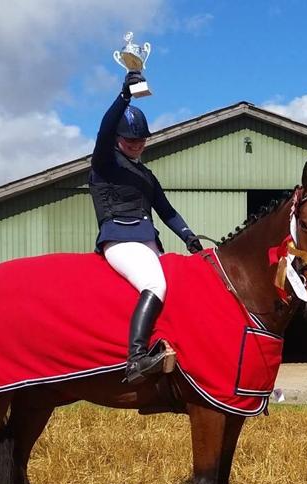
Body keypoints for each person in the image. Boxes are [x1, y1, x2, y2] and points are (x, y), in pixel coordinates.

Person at [92, 70, 204, 384]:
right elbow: (102, 131)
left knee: (180, 286)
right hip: (119, 238)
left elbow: (166, 210)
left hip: (148, 241)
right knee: (155, 285)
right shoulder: (105, 162)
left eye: (141, 139)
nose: (137, 145)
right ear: (117, 138)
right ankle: (136, 359)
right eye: (130, 139)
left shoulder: (146, 175)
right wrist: (124, 95)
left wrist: (188, 236)